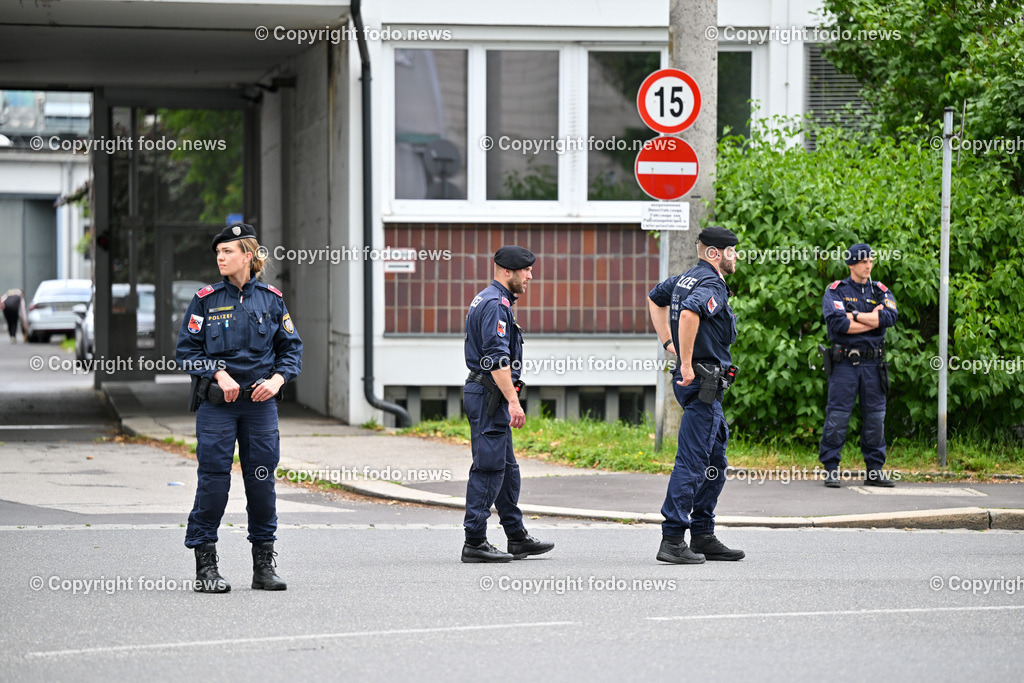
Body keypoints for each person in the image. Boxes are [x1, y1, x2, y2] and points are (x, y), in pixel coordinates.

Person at [175, 223, 303, 593]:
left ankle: (263, 565)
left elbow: (291, 349)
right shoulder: (205, 300)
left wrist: (278, 380)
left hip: (260, 408)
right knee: (213, 483)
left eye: (227, 251)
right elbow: (186, 352)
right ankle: (206, 565)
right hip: (218, 408)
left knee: (261, 483)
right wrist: (217, 372)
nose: (220, 257)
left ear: (248, 255)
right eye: (218, 253)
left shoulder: (272, 299)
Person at [647, 226, 745, 564]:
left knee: (715, 462)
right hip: (701, 382)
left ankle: (702, 534)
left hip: (701, 383)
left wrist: (668, 344)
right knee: (692, 463)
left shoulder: (686, 278)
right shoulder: (711, 283)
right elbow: (690, 313)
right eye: (732, 251)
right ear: (715, 253)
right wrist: (685, 362)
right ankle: (673, 539)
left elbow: (654, 298)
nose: (735, 257)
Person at [460, 245, 553, 563]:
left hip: (489, 395)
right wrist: (514, 401)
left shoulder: (490, 299)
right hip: (490, 395)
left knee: (507, 470)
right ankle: (474, 541)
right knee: (488, 468)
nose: (531, 276)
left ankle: (516, 536)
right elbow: (496, 358)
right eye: (526, 270)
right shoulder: (495, 304)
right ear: (507, 272)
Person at [819, 243, 898, 488]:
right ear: (851, 264)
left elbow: (890, 317)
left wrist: (855, 316)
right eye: (863, 261)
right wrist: (873, 321)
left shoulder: (880, 290)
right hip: (845, 364)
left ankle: (874, 470)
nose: (868, 265)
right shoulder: (836, 290)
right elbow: (839, 324)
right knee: (838, 417)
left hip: (874, 365)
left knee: (876, 418)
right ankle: (831, 468)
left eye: (870, 260)